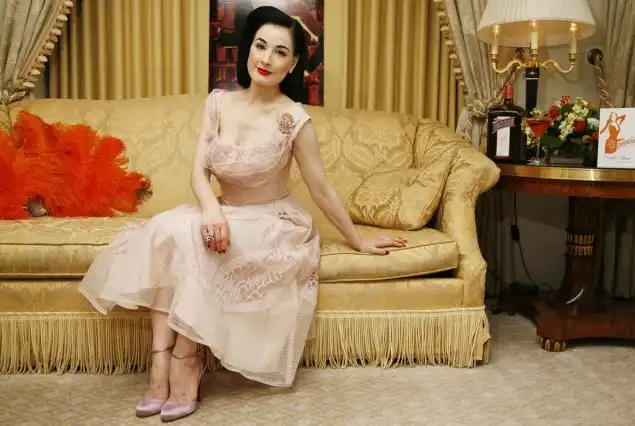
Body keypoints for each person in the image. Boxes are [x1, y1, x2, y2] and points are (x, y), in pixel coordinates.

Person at [79, 6, 406, 423]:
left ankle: (185, 363)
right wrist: (212, 210)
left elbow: (320, 189)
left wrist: (358, 239)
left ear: (293, 64)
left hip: (271, 221)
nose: (266, 59)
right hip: (222, 210)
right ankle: (158, 365)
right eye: (260, 46)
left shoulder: (293, 119)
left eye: (280, 52)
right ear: (248, 49)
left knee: (198, 243)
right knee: (167, 231)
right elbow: (198, 173)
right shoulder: (218, 103)